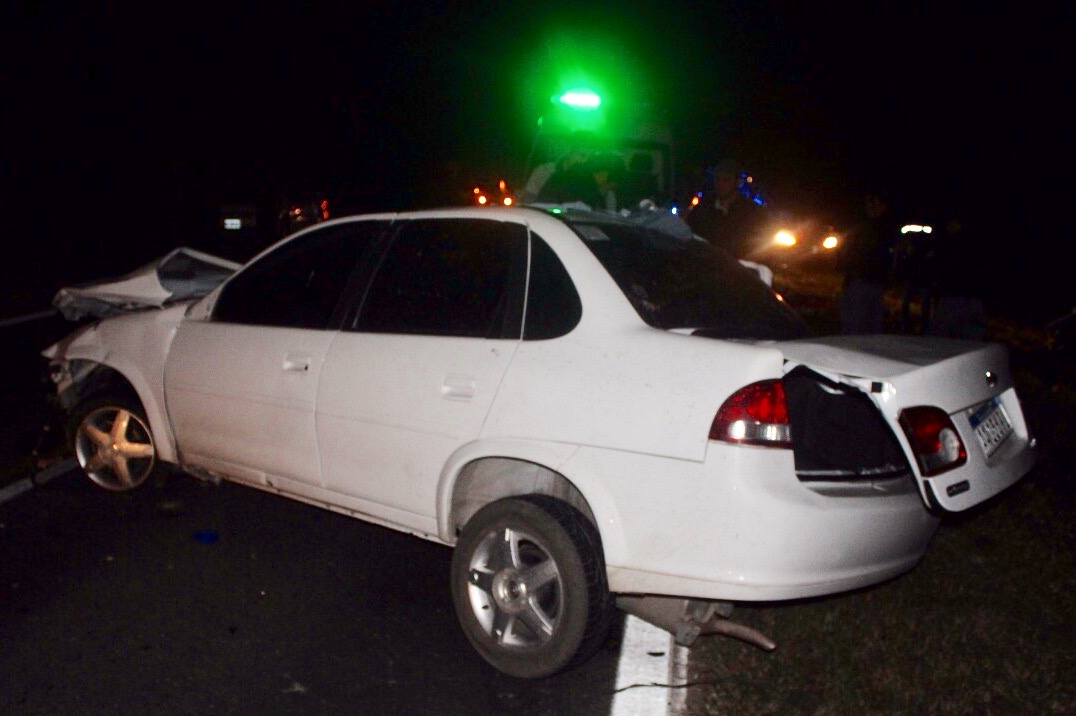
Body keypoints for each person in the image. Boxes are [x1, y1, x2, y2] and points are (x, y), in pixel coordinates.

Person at [839, 187, 898, 334]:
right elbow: (849, 252)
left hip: (872, 282)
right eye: (870, 204)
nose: (872, 207)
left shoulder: (884, 228)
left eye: (876, 203)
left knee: (869, 324)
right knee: (856, 322)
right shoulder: (861, 225)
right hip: (860, 280)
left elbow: (887, 255)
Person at [685, 158, 768, 259]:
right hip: (710, 266)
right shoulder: (703, 208)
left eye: (726, 180)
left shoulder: (751, 212)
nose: (721, 184)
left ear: (737, 182)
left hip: (739, 268)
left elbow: (758, 244)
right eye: (718, 179)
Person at [927, 212, 988, 340]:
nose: (948, 227)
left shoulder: (955, 244)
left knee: (942, 338)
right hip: (967, 296)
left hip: (956, 296)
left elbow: (946, 267)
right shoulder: (962, 242)